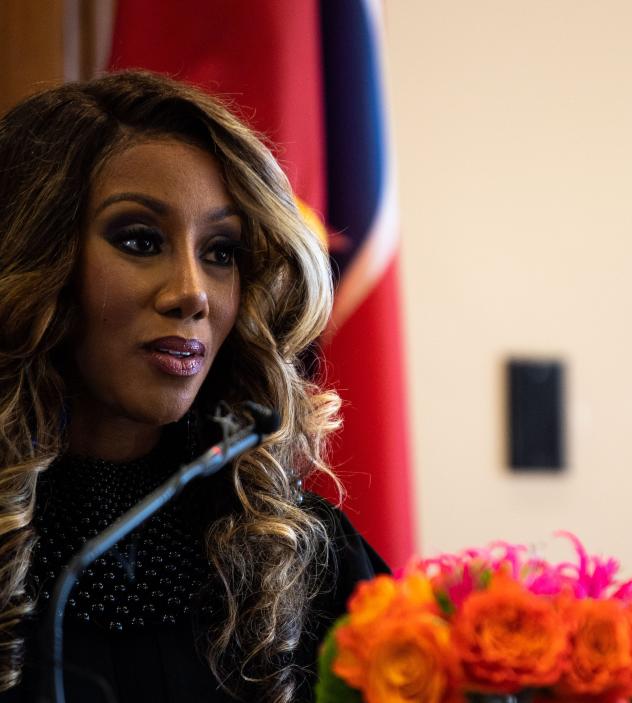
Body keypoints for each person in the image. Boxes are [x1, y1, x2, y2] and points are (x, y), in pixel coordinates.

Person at [0, 71, 389, 703]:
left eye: (221, 252)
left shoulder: (299, 552)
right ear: (34, 263)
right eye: (140, 240)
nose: (192, 292)